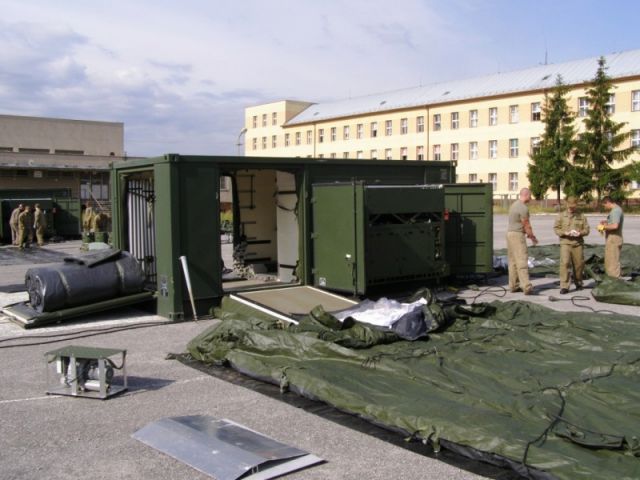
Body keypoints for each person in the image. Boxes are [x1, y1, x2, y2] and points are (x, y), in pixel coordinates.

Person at [553, 197, 590, 294]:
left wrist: (580, 233)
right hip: (565, 242)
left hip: (577, 243)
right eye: (570, 206)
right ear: (567, 205)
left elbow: (587, 230)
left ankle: (579, 282)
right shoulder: (561, 216)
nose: (572, 208)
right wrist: (564, 233)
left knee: (579, 264)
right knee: (565, 264)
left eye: (574, 206)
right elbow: (556, 228)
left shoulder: (581, 216)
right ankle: (564, 286)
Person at [507, 188, 538, 295]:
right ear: (527, 195)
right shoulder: (523, 208)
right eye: (530, 196)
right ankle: (526, 287)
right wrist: (532, 237)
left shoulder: (513, 205)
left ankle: (513, 286)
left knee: (512, 261)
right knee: (522, 260)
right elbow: (526, 224)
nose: (531, 198)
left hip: (510, 234)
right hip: (517, 235)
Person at [599, 196, 624, 278]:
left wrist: (603, 227)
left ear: (608, 202)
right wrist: (606, 222)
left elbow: (615, 226)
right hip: (613, 239)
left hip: (614, 239)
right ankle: (615, 280)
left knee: (612, 263)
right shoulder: (616, 210)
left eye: (604, 205)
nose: (604, 207)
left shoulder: (615, 211)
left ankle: (615, 282)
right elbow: (614, 222)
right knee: (611, 261)